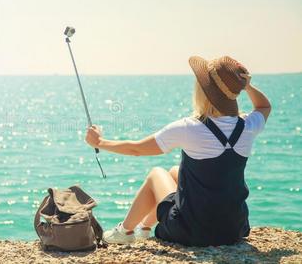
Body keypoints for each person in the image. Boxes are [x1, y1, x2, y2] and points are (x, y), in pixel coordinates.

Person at [85, 56, 271, 247]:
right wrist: (246, 86)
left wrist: (99, 142)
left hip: (191, 231)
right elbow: (264, 106)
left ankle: (124, 231)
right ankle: (145, 229)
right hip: (233, 229)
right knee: (175, 171)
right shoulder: (248, 125)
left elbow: (136, 149)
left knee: (156, 174)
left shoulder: (189, 128)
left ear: (204, 91)